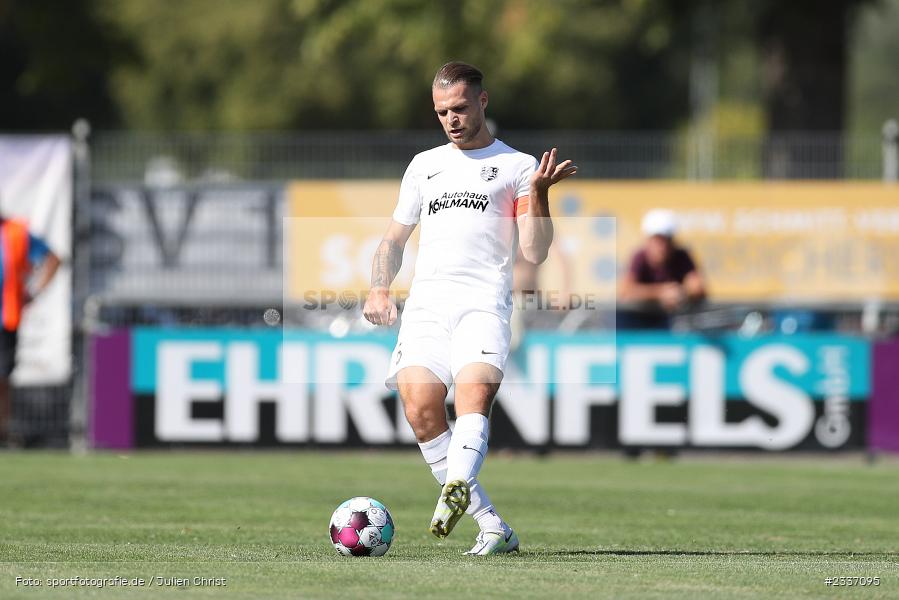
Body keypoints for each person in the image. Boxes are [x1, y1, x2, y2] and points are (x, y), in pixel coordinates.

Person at [362, 62, 576, 555]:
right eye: (442, 112)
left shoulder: (519, 168)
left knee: (472, 398)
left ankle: (456, 484)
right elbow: (394, 239)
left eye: (459, 108)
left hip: (483, 305)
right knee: (420, 411)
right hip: (426, 307)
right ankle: (491, 524)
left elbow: (536, 251)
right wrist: (378, 288)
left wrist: (540, 196)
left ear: (482, 101)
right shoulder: (424, 165)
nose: (451, 120)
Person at [0, 214, 60, 446]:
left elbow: (52, 258)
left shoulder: (16, 231)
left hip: (6, 318)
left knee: (3, 378)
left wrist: (33, 292)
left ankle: (2, 434)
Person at [618, 209, 706, 329]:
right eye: (657, 240)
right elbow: (625, 290)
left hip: (671, 327)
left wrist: (680, 294)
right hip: (639, 325)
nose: (661, 246)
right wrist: (660, 293)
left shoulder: (682, 256)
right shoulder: (639, 257)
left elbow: (697, 286)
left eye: (666, 240)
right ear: (648, 241)